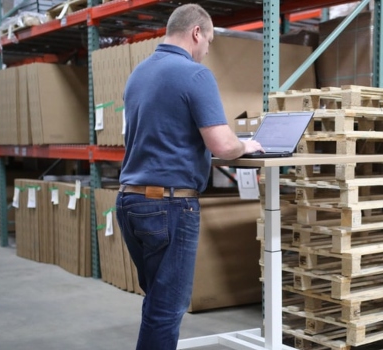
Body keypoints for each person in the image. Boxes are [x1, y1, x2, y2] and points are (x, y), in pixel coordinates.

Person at [115, 4, 263, 349]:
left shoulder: (139, 73)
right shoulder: (194, 74)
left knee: (156, 301)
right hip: (169, 206)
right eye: (208, 42)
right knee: (167, 309)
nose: (206, 51)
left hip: (130, 201)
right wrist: (248, 144)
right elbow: (222, 145)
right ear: (197, 32)